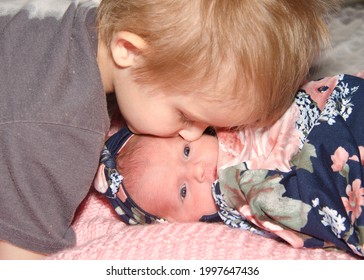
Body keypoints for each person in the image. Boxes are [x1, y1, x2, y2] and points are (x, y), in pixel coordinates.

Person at [0, 0, 340, 259]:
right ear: (128, 50)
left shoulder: (67, 32)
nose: (192, 134)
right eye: (187, 116)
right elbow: (17, 261)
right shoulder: (57, 137)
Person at [96, 72, 364, 257]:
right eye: (183, 191)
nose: (199, 171)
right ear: (176, 223)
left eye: (187, 152)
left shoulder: (226, 117)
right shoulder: (239, 200)